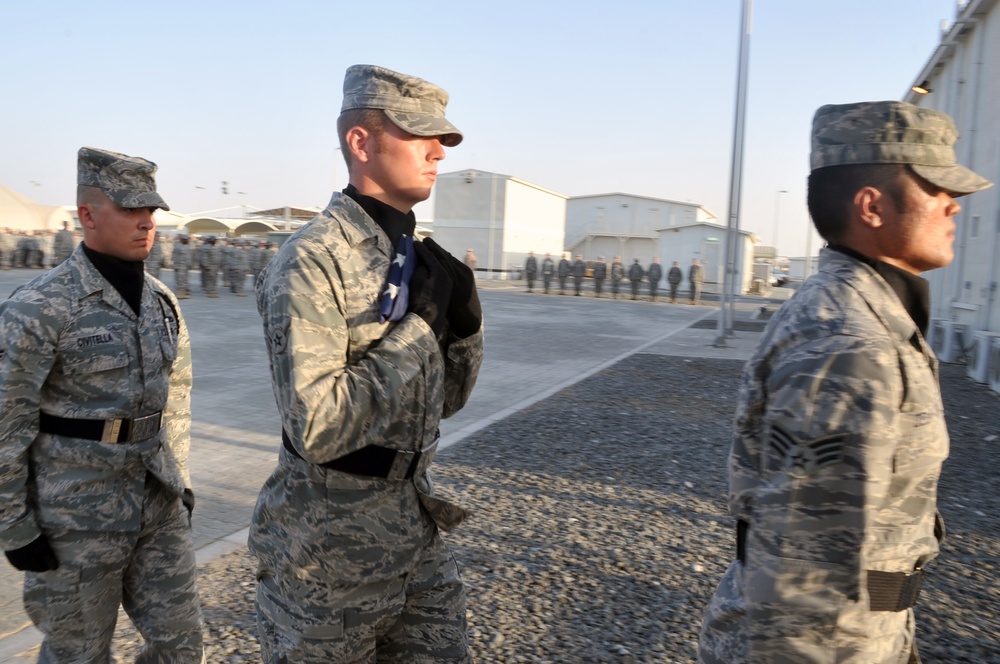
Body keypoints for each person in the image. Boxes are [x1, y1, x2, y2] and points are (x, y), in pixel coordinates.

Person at [698, 100, 993, 664]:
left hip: (862, 629)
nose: (953, 205)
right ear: (872, 206)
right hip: (825, 642)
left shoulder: (869, 315)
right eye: (935, 187)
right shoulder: (847, 343)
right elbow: (804, 574)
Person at [249, 64, 484, 663]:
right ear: (361, 142)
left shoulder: (415, 259)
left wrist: (466, 329)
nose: (438, 151)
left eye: (443, 141)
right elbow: (317, 424)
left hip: (414, 529)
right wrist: (420, 331)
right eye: (420, 135)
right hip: (324, 554)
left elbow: (444, 402)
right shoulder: (312, 259)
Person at [0, 147, 203, 662]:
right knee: (80, 653)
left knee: (182, 645)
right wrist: (14, 526)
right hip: (76, 515)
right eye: (131, 209)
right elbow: (7, 421)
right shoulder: (40, 305)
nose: (146, 222)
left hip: (157, 503)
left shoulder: (162, 299)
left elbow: (175, 399)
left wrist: (180, 477)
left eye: (151, 210)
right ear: (87, 215)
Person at [173, 234, 192, 299]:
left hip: (186, 267)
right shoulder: (178, 247)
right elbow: (175, 257)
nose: (186, 240)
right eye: (184, 239)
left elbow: (189, 257)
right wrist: (175, 266)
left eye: (186, 239)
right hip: (180, 266)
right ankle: (180, 293)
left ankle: (183, 292)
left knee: (184, 280)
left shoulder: (187, 247)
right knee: (180, 280)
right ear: (181, 240)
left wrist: (189, 265)